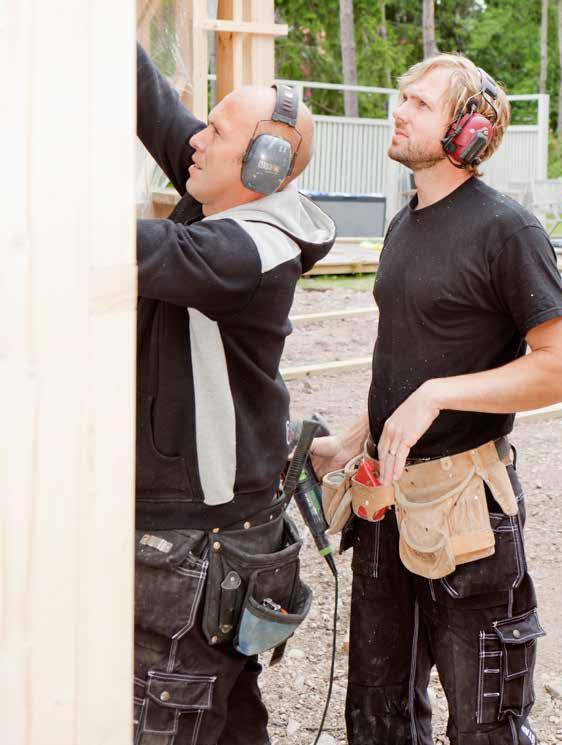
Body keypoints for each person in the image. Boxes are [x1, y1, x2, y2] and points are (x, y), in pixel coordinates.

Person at [311, 54, 562, 745]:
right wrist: (353, 439)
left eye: (418, 103)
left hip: (467, 509)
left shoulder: (507, 230)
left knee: (485, 721)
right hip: (386, 501)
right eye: (400, 97)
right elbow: (416, 353)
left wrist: (437, 395)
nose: (398, 111)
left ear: (466, 132)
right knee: (378, 714)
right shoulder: (406, 222)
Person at [132, 44, 335, 745]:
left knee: (171, 711)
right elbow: (152, 103)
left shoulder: (242, 252)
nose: (194, 139)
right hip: (233, 529)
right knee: (224, 716)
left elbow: (124, 248)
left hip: (199, 536)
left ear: (263, 168)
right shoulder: (224, 200)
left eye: (215, 133)